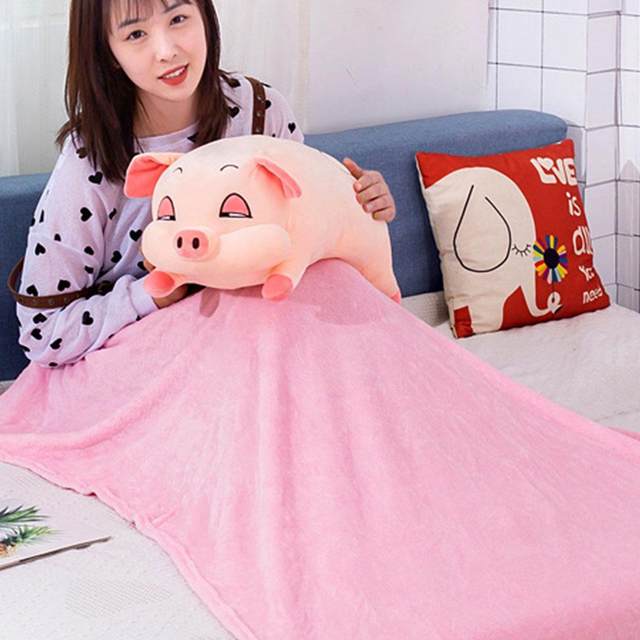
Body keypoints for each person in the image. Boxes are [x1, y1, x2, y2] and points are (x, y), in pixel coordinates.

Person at [15, 0, 397, 369]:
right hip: (156, 362)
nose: (166, 51)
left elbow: (304, 231)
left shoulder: (260, 111)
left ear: (204, 15)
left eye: (178, 19)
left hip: (270, 347)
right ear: (108, 52)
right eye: (135, 34)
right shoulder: (90, 160)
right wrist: (150, 295)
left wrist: (357, 205)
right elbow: (42, 332)